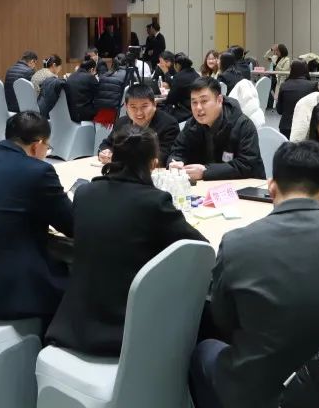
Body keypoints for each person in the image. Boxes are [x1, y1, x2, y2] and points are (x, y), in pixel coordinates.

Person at [190, 141, 319, 408]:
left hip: (258, 390)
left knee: (203, 351)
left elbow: (224, 320)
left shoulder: (236, 243)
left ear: (271, 187)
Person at [46, 125, 207, 355]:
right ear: (153, 163)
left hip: (73, 323)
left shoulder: (85, 193)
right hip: (123, 330)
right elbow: (199, 248)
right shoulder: (154, 202)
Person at [0, 111, 74, 321]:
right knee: (79, 283)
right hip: (7, 294)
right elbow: (73, 225)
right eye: (47, 147)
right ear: (37, 145)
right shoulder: (39, 172)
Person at [169, 77, 263, 182]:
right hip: (204, 187)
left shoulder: (243, 125)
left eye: (204, 101)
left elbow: (246, 165)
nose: (198, 107)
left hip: (244, 187)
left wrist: (206, 171)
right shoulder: (192, 125)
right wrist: (176, 162)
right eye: (194, 102)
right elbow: (177, 151)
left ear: (219, 100)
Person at [98, 83, 179, 170]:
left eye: (144, 106)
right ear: (126, 107)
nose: (139, 113)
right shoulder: (122, 122)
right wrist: (105, 152)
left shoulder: (168, 124)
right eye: (133, 107)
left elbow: (163, 157)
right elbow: (107, 144)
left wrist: (119, 158)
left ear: (154, 104)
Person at [276, 62, 319, 138]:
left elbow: (279, 110)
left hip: (286, 127)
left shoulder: (284, 85)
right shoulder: (312, 85)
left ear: (291, 70)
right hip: (306, 127)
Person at [164, 53, 199, 123]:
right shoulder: (196, 74)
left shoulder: (178, 77)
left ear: (177, 65)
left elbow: (170, 100)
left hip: (186, 112)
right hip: (196, 108)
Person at [64, 58, 99, 122]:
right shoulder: (90, 78)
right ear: (92, 69)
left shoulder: (70, 77)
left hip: (70, 114)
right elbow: (98, 95)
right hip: (85, 115)